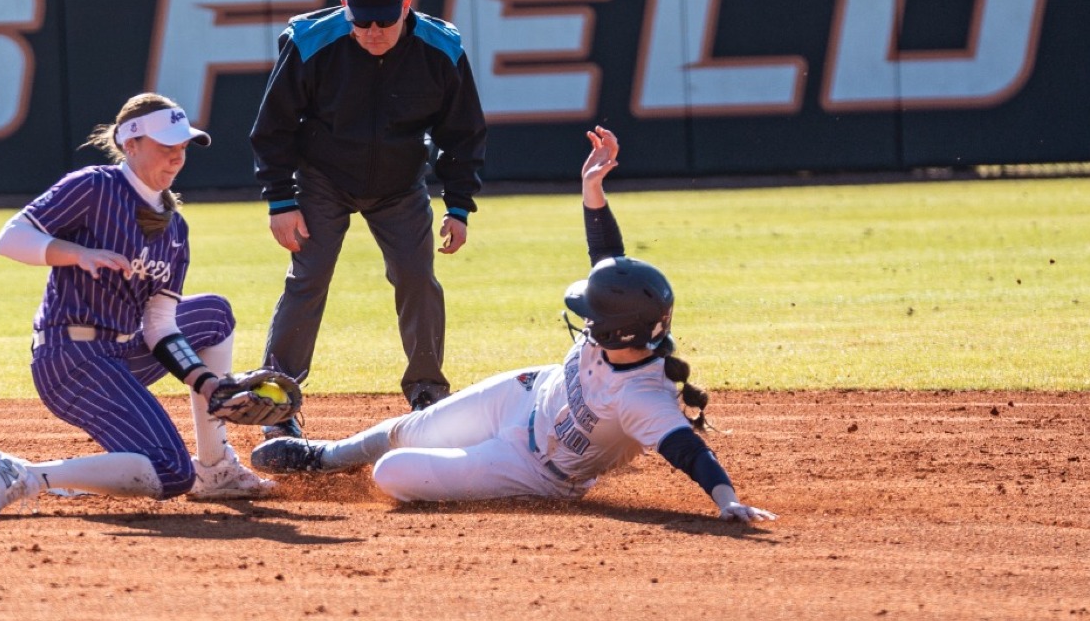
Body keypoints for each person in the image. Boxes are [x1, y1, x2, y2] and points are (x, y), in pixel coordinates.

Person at [249, 127, 777, 523]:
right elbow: (608, 260)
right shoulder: (635, 328)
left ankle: (405, 463)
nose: (585, 317)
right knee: (404, 430)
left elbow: (688, 450)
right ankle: (324, 457)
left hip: (531, 468)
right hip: (524, 393)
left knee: (393, 473)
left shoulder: (643, 398)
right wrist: (592, 189)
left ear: (618, 333)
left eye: (591, 315)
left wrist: (727, 501)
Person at [0, 93, 273, 516]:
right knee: (170, 471)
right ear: (129, 143)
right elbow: (10, 238)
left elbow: (161, 326)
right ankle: (26, 475)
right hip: (70, 358)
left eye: (182, 147)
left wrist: (208, 382)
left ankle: (216, 470)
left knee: (213, 314)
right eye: (165, 146)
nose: (176, 157)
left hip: (120, 353)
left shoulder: (175, 229)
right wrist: (77, 253)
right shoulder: (95, 187)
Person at [250, 0, 488, 425]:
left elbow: (463, 133)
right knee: (308, 279)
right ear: (344, 8)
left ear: (406, 6)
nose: (374, 31)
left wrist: (457, 206)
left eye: (386, 20)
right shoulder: (310, 43)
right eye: (362, 21)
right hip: (323, 179)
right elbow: (272, 128)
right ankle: (277, 401)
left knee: (417, 278)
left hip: (400, 186)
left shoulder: (442, 49)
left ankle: (427, 395)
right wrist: (281, 200)